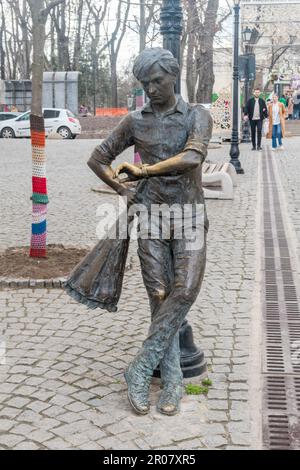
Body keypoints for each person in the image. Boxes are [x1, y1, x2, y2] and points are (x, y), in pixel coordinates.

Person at [65, 48, 213, 416]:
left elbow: (193, 157)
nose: (150, 89)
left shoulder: (198, 115)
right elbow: (97, 158)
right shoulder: (135, 120)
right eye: (144, 83)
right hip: (150, 216)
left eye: (157, 81)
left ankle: (141, 365)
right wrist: (122, 190)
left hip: (189, 215)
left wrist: (142, 173)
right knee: (159, 293)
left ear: (173, 76)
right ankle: (173, 380)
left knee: (186, 287)